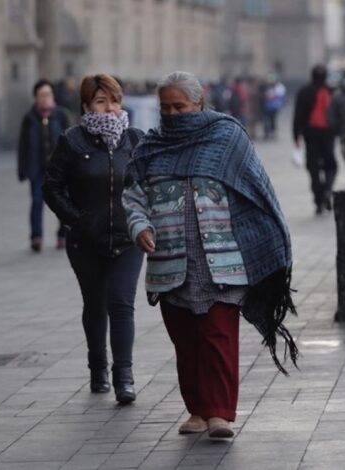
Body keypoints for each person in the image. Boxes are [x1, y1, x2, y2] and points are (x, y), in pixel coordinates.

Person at [123, 71, 298, 439]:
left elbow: (253, 189)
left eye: (179, 106)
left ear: (199, 103)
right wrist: (139, 227)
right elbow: (134, 196)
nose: (172, 114)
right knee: (185, 341)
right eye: (165, 107)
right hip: (170, 262)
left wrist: (261, 238)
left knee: (217, 336)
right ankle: (197, 411)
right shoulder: (150, 148)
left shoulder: (227, 137)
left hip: (222, 260)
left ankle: (219, 413)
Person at [43, 74, 144, 404]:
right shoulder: (73, 141)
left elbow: (149, 185)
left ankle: (124, 376)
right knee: (95, 304)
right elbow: (51, 187)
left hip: (127, 239)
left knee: (122, 303)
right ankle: (97, 365)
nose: (110, 108)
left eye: (114, 100)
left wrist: (144, 221)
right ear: (86, 105)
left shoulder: (135, 140)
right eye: (101, 101)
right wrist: (76, 219)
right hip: (86, 241)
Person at [17, 79, 72, 252]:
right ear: (35, 97)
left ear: (53, 95)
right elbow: (23, 145)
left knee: (63, 202)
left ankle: (63, 235)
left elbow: (71, 142)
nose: (44, 98)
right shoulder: (30, 117)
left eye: (47, 94)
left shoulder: (62, 115)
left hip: (60, 170)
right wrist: (22, 169)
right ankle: (36, 237)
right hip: (38, 169)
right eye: (41, 95)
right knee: (37, 202)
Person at [293, 64, 336, 214]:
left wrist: (296, 135)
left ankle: (318, 199)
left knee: (313, 167)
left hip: (310, 134)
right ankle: (328, 189)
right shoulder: (332, 91)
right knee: (331, 165)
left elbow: (298, 115)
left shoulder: (304, 92)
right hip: (328, 134)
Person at [262, 75, 286, 139]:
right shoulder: (266, 88)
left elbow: (280, 98)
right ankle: (267, 133)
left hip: (273, 107)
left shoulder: (278, 88)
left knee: (273, 120)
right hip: (267, 107)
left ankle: (273, 133)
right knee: (267, 120)